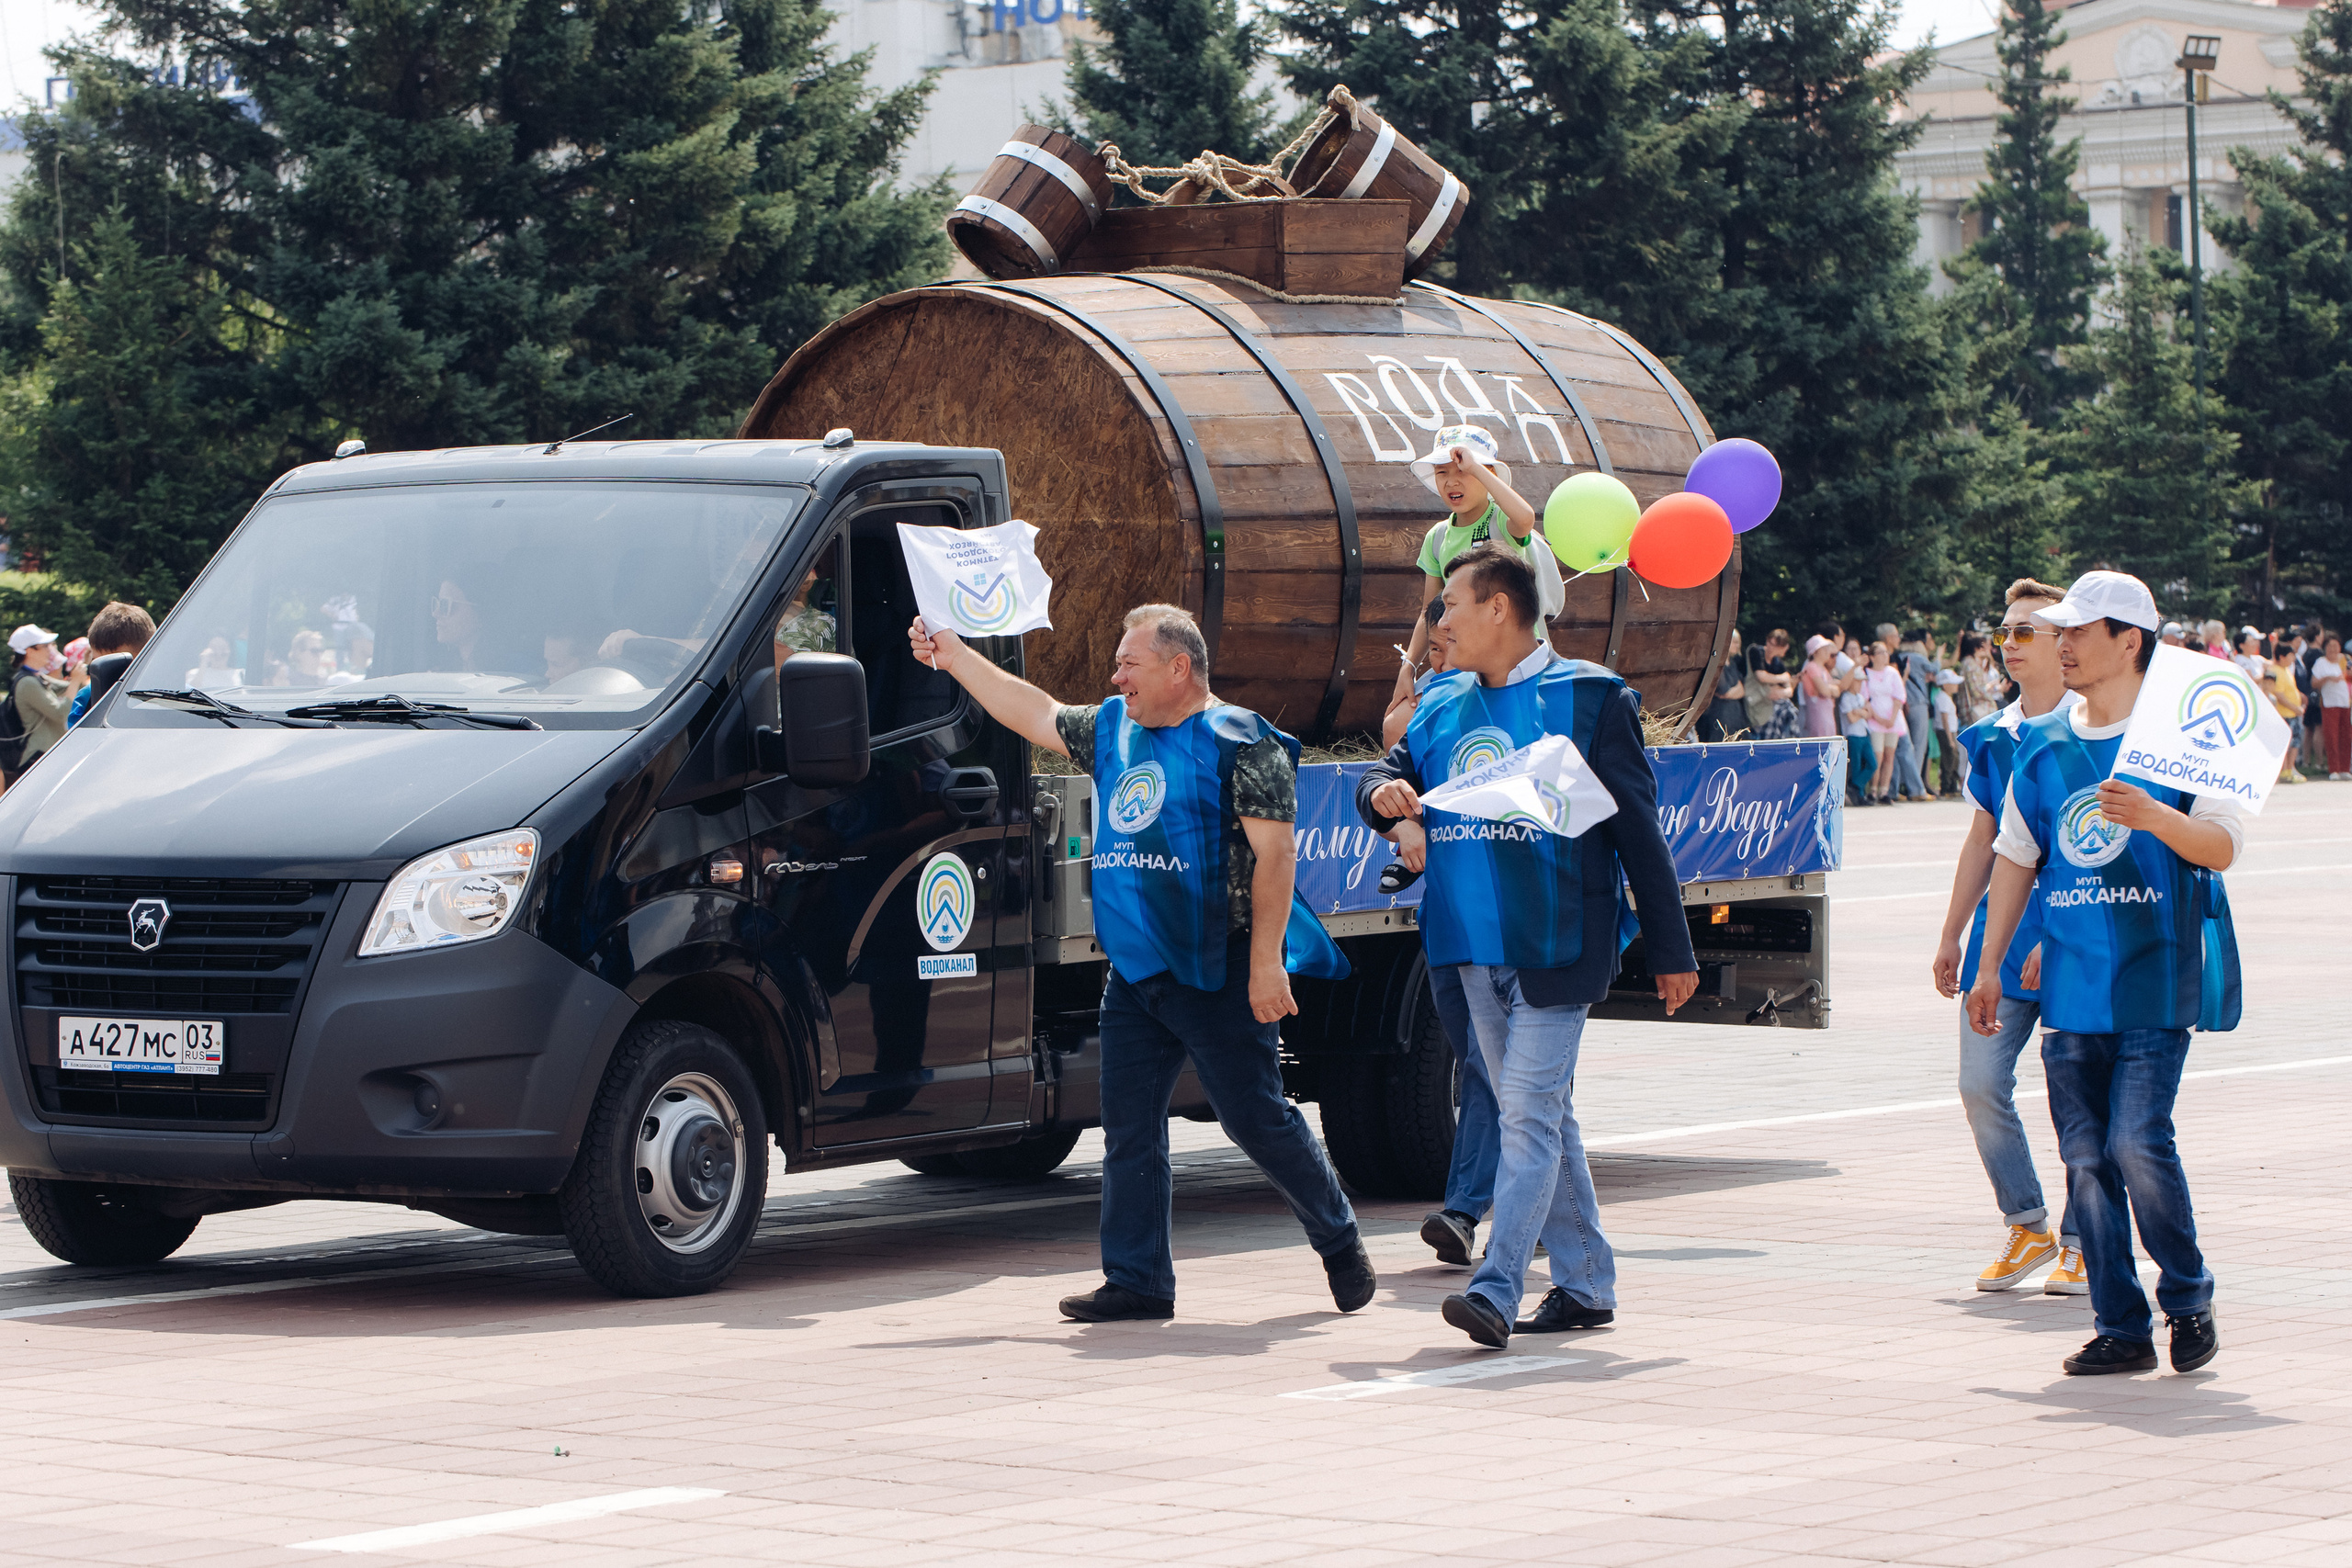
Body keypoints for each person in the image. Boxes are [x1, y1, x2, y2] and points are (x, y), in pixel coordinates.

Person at [909, 603, 1374, 1323]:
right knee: (1128, 1126)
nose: (1115, 675)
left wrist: (1264, 966)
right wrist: (954, 654)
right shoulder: (1111, 729)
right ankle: (1138, 1280)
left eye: (1130, 663)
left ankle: (1339, 1237)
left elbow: (1276, 857)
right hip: (1135, 974)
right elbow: (1034, 712)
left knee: (1255, 1118)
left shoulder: (1240, 741)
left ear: (1178, 668)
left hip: (1216, 968)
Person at [1357, 543, 1698, 1348]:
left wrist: (1672, 947)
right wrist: (1385, 796)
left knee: (1529, 1114)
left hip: (1558, 944)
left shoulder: (1591, 698)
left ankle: (1497, 1284)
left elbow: (1638, 833)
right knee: (1538, 1113)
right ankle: (1584, 1284)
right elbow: (1380, 771)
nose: (1438, 623)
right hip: (1469, 946)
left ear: (1500, 608)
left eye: (1449, 606)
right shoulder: (1440, 704)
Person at [1967, 570, 2241, 1378]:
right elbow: (2016, 858)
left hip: (2155, 979)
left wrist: (2158, 815)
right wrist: (1991, 966)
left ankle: (2187, 1295)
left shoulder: (2184, 739)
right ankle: (2119, 1324)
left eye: (2081, 630)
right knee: (2085, 1157)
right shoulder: (2045, 745)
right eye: (2061, 629)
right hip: (2072, 988)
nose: (2064, 642)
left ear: (2131, 641)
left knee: (2136, 1140)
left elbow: (2221, 846)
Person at [1933, 579, 2083, 1296]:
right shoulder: (1995, 737)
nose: (2010, 644)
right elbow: (1982, 841)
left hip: (2085, 937)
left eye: (2027, 631)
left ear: (2066, 640)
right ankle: (2027, 1224)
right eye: (2006, 631)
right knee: (1980, 1082)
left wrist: (2058, 932)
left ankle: (2086, 1238)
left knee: (2080, 1095)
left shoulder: (2097, 732)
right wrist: (1952, 933)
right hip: (2001, 944)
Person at [1387, 424, 1560, 714]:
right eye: (1442, 473)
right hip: (1465, 664)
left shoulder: (1501, 521)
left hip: (1518, 664)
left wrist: (1477, 467)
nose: (1452, 482)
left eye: (1462, 471)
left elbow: (1525, 518)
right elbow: (1428, 611)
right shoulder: (1438, 536)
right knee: (1398, 721)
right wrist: (1408, 667)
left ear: (1487, 474)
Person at [5, 625, 85, 785]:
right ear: (29, 651)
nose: (50, 650)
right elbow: (60, 713)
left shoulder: (36, 677)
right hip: (37, 759)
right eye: (45, 646)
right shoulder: (27, 682)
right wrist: (76, 680)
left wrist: (83, 676)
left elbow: (67, 688)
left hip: (46, 757)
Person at [65, 602, 154, 727]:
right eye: (97, 665)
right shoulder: (87, 698)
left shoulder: (179, 695)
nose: (106, 674)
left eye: (116, 667)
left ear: (149, 653)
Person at [1862, 641, 1907, 804]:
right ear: (1872, 657)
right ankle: (1873, 789)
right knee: (1877, 755)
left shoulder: (1892, 673)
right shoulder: (1866, 673)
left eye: (1886, 653)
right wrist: (1877, 717)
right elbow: (1865, 698)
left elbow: (1899, 696)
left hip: (1892, 719)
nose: (1885, 656)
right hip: (1875, 719)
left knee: (1889, 755)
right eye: (1881, 653)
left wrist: (1892, 718)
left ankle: (1884, 790)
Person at [1745, 628, 1799, 739]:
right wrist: (1781, 679)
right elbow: (1761, 676)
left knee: (1790, 712)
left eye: (1773, 645)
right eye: (1769, 642)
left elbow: (1789, 690)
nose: (1769, 646)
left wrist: (1778, 690)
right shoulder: (1756, 651)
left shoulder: (1777, 663)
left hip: (1771, 705)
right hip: (1756, 704)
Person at [1839, 640, 1875, 806]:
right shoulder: (1846, 698)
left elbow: (1868, 713)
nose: (1861, 684)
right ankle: (1859, 795)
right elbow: (1851, 718)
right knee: (1856, 765)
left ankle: (1855, 785)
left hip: (1864, 733)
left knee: (1872, 764)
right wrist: (1861, 713)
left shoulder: (1860, 697)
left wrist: (1860, 712)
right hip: (1853, 735)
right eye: (1858, 681)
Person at [1698, 627, 1747, 742]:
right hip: (1719, 718)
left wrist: (1732, 692)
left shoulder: (1733, 664)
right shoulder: (1717, 665)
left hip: (1735, 718)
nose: (1738, 645)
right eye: (1734, 642)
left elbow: (1742, 690)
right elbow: (1723, 690)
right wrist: (1733, 691)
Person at [2315, 635, 2350, 779]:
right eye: (2330, 646)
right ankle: (2333, 769)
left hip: (2345, 702)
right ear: (2325, 648)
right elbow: (2314, 683)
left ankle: (2344, 768)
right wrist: (2328, 678)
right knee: (2332, 736)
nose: (2333, 649)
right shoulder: (2321, 662)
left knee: (2346, 736)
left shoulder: (2344, 660)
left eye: (2336, 646)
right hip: (2330, 703)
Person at [1798, 635, 1839, 738]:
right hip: (1818, 715)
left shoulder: (1823, 669)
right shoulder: (1811, 667)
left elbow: (1837, 690)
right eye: (1823, 648)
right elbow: (1824, 691)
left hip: (1827, 714)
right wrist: (1829, 688)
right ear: (1815, 652)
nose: (1827, 651)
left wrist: (1828, 688)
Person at [1932, 668, 1964, 795]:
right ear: (1945, 685)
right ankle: (1946, 787)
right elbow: (1944, 718)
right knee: (1949, 758)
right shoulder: (1943, 698)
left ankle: (1951, 784)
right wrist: (1950, 738)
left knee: (1954, 758)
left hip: (1951, 731)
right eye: (1953, 683)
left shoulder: (1946, 697)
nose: (1956, 686)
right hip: (1946, 732)